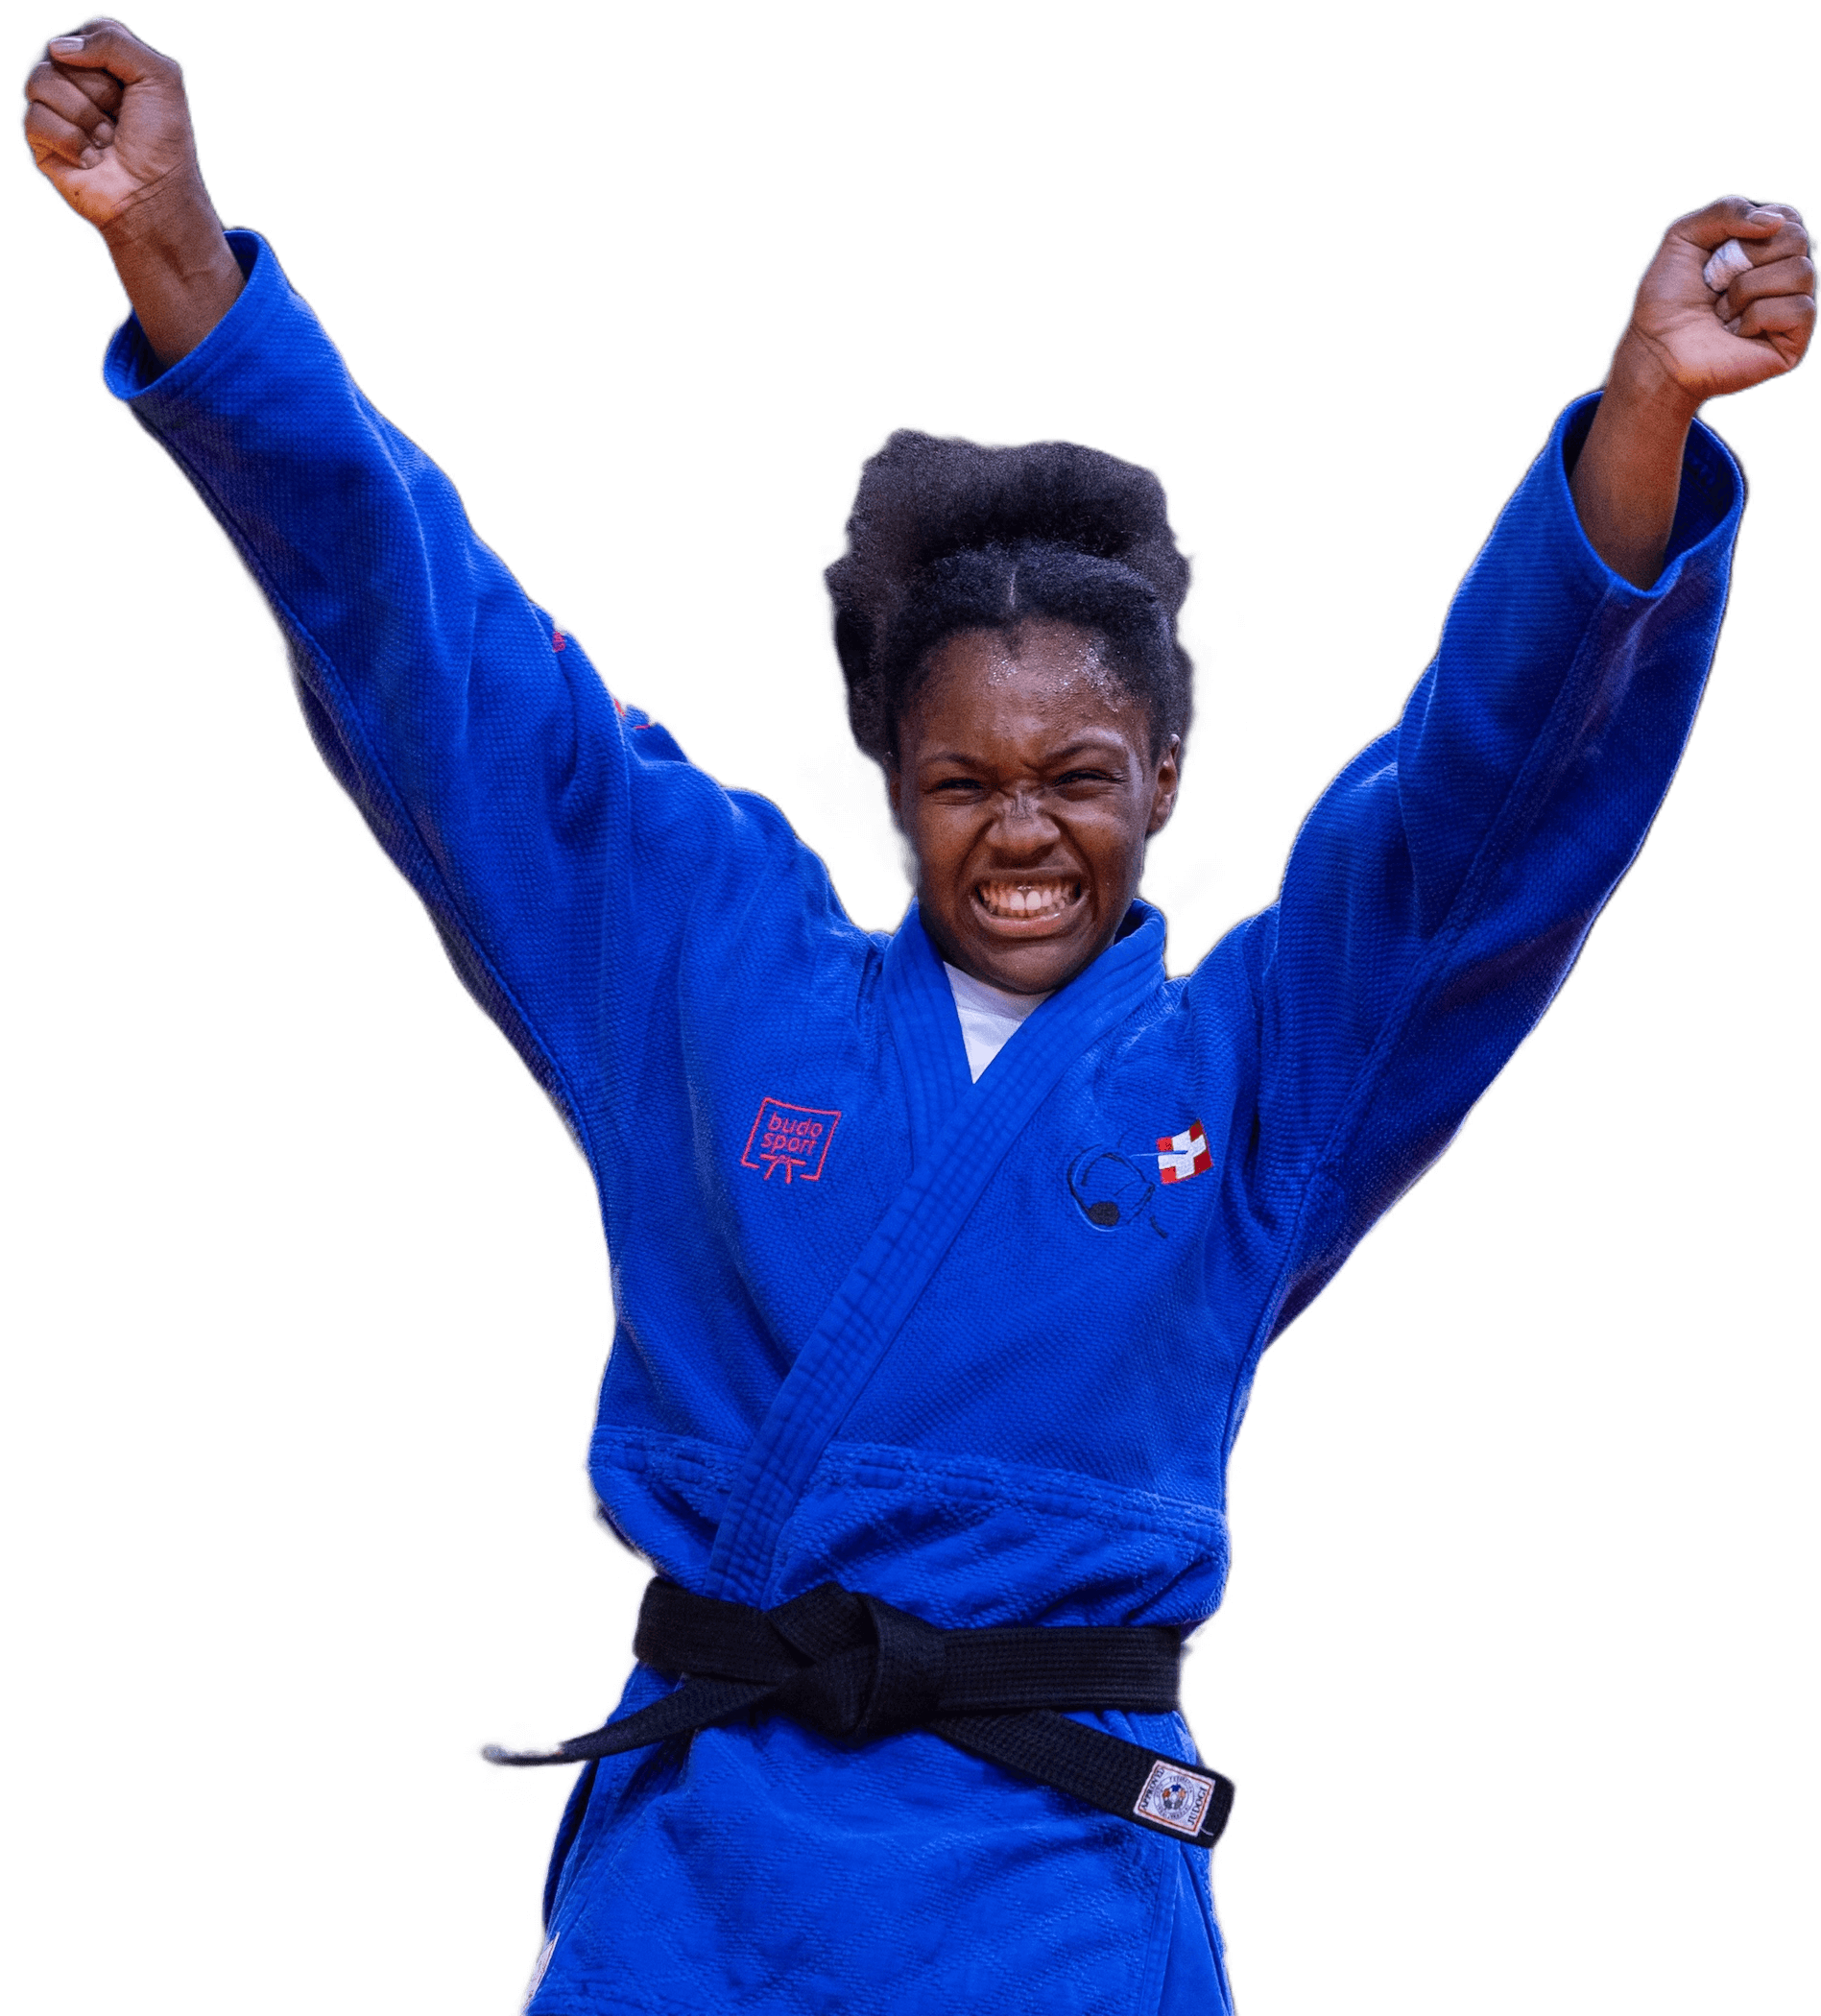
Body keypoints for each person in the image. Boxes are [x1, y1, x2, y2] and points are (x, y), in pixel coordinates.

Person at [23, 17, 1813, 2015]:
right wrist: (179, 254)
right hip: (702, 1891)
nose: (1025, 831)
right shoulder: (710, 976)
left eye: (1082, 778)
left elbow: (1478, 821)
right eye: (968, 781)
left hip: (1053, 1897)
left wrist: (1645, 413)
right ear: (890, 777)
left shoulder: (1254, 1073)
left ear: (1163, 779)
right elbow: (444, 662)